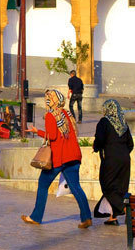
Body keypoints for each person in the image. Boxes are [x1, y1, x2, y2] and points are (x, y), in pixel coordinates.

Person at [21, 89, 92, 229]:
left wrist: (38, 132)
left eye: (48, 98)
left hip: (59, 158)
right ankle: (86, 217)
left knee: (42, 185)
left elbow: (52, 136)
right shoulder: (67, 113)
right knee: (76, 187)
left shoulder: (50, 115)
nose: (46, 101)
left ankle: (35, 217)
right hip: (73, 156)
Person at [92, 98, 134, 225]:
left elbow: (100, 139)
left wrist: (96, 147)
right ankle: (113, 217)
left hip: (110, 158)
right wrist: (123, 153)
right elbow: (130, 144)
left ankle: (126, 209)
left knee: (107, 185)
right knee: (120, 187)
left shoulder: (104, 122)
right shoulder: (123, 124)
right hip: (125, 159)